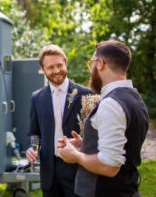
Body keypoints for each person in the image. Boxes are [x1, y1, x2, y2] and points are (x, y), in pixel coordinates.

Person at [58, 40, 149, 197]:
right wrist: (86, 144)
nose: (90, 70)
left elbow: (109, 166)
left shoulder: (111, 104)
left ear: (100, 64)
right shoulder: (135, 98)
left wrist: (76, 156)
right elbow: (124, 144)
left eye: (91, 64)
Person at [26, 44, 91, 197]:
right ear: (42, 69)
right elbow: (33, 132)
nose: (56, 71)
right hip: (49, 171)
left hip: (77, 169)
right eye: (50, 67)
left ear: (65, 63)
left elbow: (94, 133)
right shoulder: (36, 98)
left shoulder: (85, 95)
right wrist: (31, 147)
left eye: (59, 65)